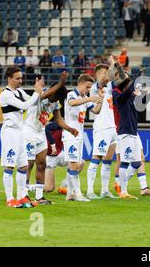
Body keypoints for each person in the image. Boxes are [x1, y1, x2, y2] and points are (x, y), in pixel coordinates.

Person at [24, 72, 79, 204]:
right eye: (56, 97)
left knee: (42, 164)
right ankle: (24, 193)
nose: (56, 101)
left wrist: (69, 129)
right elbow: (46, 94)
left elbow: (58, 119)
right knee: (29, 163)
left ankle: (39, 196)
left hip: (40, 132)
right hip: (29, 131)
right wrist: (61, 82)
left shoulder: (54, 103)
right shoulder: (40, 95)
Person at [111, 56, 150, 198]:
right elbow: (129, 87)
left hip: (133, 132)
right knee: (124, 161)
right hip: (125, 132)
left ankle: (121, 183)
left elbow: (136, 94)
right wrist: (136, 77)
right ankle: (123, 191)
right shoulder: (118, 96)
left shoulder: (128, 96)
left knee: (137, 162)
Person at [0, 66, 44, 207]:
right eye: (17, 78)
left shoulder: (19, 91)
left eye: (21, 78)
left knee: (23, 166)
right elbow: (25, 105)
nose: (20, 80)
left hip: (20, 132)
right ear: (9, 79)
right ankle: (9, 199)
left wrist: (39, 91)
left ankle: (22, 196)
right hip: (10, 132)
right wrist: (36, 93)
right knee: (9, 166)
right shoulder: (6, 94)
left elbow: (33, 102)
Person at [63, 74, 103, 202]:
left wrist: (100, 100)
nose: (88, 90)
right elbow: (72, 103)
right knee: (75, 165)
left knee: (78, 164)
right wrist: (90, 98)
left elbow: (96, 111)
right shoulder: (71, 94)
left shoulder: (85, 98)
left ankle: (69, 193)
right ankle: (78, 194)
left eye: (90, 88)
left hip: (79, 136)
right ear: (80, 84)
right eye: (87, 87)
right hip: (70, 135)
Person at [86, 64, 118, 200]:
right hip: (102, 128)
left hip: (113, 127)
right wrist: (112, 64)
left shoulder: (109, 88)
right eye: (104, 73)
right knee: (96, 158)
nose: (107, 76)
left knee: (108, 161)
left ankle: (105, 190)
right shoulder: (95, 88)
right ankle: (89, 190)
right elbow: (104, 80)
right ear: (97, 75)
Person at [43, 121, 69, 194]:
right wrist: (53, 145)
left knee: (79, 162)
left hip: (60, 154)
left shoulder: (73, 127)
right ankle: (29, 187)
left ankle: (64, 185)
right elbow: (47, 128)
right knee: (48, 188)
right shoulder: (58, 124)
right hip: (49, 156)